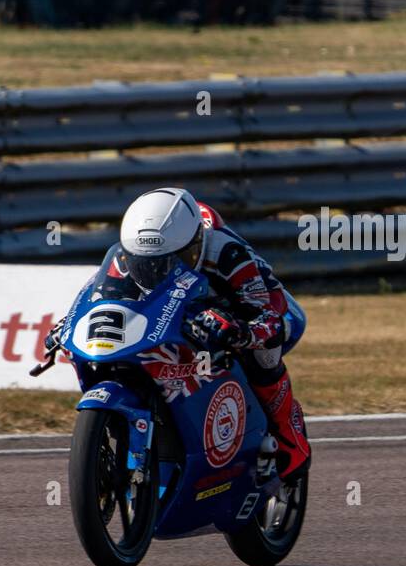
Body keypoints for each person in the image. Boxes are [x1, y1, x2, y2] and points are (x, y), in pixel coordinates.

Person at [77, 187, 311, 478]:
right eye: (144, 262)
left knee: (265, 350)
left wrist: (240, 331)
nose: (154, 270)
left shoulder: (226, 254)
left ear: (196, 245)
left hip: (238, 302)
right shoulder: (124, 256)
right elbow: (101, 297)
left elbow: (268, 315)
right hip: (174, 307)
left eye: (170, 260)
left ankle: (289, 431)